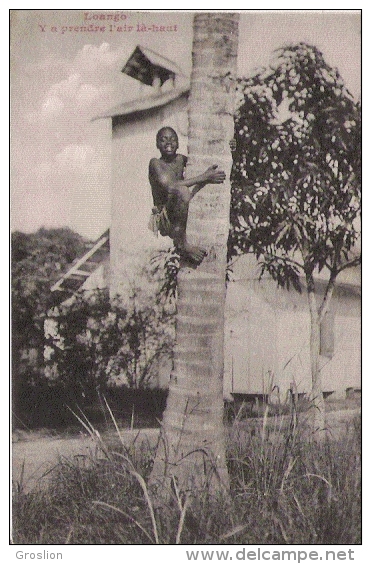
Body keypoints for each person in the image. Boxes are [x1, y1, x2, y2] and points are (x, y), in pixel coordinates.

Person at [148, 126, 226, 265]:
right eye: (163, 140)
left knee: (184, 192)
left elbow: (207, 159)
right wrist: (205, 177)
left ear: (178, 143)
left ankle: (183, 241)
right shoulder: (155, 163)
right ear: (157, 144)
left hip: (178, 211)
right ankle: (183, 244)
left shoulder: (181, 159)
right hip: (164, 217)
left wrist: (227, 146)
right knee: (183, 190)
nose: (168, 143)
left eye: (173, 139)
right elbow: (171, 186)